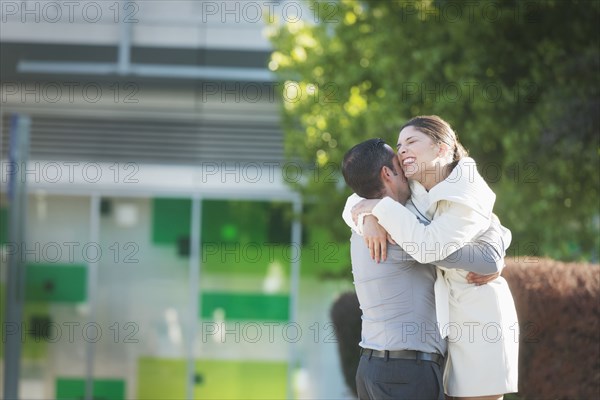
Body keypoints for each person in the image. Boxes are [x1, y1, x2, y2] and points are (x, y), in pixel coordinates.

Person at [345, 117, 519, 399]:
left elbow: (438, 247)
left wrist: (494, 253)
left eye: (411, 142)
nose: (402, 150)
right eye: (399, 145)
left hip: (477, 319)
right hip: (438, 332)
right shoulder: (414, 190)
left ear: (442, 148)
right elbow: (361, 191)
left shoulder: (467, 189)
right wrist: (368, 215)